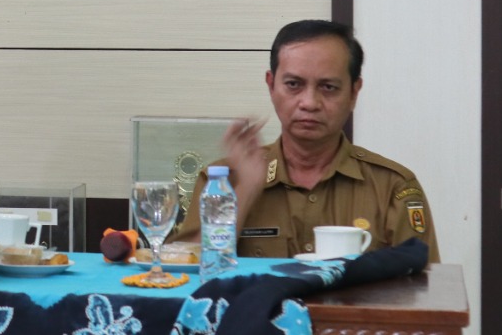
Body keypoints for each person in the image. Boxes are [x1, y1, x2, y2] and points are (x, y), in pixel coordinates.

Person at [172, 19, 439, 262]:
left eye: (328, 87)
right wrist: (246, 189)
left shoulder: (392, 187)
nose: (309, 103)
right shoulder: (223, 182)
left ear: (354, 93)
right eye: (294, 84)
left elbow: (425, 291)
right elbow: (183, 274)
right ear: (271, 85)